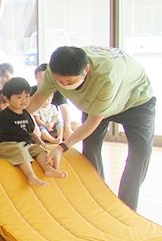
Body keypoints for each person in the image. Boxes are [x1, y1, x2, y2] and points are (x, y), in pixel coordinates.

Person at [27, 46, 155, 210]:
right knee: (90, 149)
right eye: (60, 81)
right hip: (96, 102)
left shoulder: (106, 77)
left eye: (70, 82)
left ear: (86, 70)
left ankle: (126, 208)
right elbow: (37, 99)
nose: (65, 85)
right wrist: (10, 116)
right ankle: (97, 199)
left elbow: (93, 121)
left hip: (136, 101)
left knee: (140, 154)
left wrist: (63, 146)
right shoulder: (54, 70)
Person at [0, 77, 66, 187]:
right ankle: (31, 176)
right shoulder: (3, 116)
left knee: (38, 150)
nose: (24, 100)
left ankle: (48, 169)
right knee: (20, 150)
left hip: (24, 145)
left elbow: (29, 131)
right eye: (19, 97)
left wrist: (38, 140)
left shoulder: (26, 114)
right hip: (6, 146)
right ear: (6, 99)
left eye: (27, 96)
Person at [33, 63, 73, 139]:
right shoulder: (31, 91)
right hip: (38, 124)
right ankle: (51, 137)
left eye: (45, 77)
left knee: (76, 125)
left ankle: (57, 137)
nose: (43, 80)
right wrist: (36, 128)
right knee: (36, 131)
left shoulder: (57, 91)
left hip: (53, 124)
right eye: (40, 77)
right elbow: (29, 113)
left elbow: (64, 108)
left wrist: (68, 128)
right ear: (36, 78)